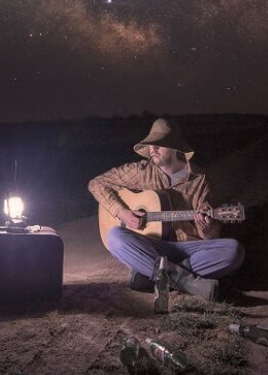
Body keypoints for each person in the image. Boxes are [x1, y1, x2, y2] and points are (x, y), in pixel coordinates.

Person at [88, 117, 244, 301]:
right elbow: (97, 183)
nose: (153, 149)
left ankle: (153, 274)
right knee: (115, 236)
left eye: (159, 144)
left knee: (234, 250)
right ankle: (184, 280)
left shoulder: (201, 180)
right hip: (153, 244)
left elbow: (210, 236)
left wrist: (207, 227)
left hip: (187, 248)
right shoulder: (141, 171)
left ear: (175, 147)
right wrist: (122, 212)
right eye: (151, 144)